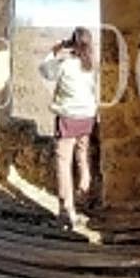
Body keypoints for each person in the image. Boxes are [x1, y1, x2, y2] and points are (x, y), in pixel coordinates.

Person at [38, 27, 98, 230]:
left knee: (63, 162)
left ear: (72, 44)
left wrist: (55, 50)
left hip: (68, 118)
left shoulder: (65, 64)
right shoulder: (90, 65)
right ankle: (84, 192)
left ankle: (67, 210)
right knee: (82, 156)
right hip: (87, 116)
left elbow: (45, 71)